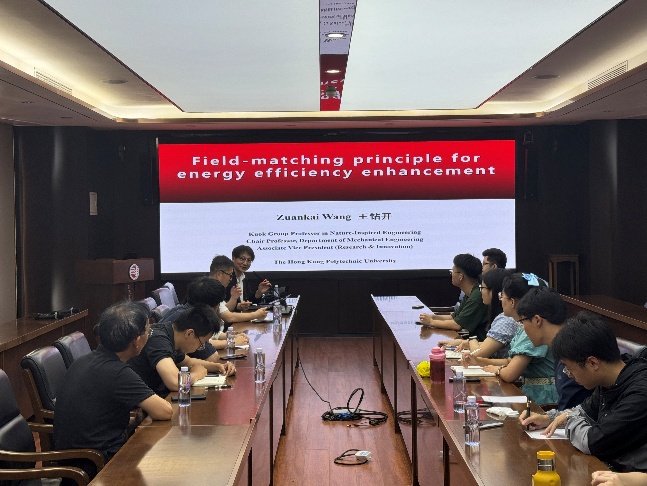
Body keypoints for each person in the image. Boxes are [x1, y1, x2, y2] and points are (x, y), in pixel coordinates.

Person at [54, 301, 172, 479]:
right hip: (95, 464)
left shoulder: (86, 359)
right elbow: (164, 411)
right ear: (136, 341)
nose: (149, 336)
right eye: (148, 331)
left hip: (82, 456)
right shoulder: (117, 372)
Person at [522, 312, 647, 472]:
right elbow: (584, 412)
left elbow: (592, 442)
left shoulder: (640, 392)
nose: (568, 374)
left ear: (593, 363)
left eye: (569, 368)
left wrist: (569, 419)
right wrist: (548, 418)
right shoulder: (609, 380)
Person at [463, 272, 558, 405]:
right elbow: (510, 361)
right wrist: (479, 361)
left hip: (543, 397)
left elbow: (510, 374)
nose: (500, 300)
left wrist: (497, 369)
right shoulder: (524, 326)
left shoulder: (533, 330)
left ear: (512, 301)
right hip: (530, 391)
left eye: (502, 296)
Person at [128, 303, 236, 397]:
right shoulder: (159, 340)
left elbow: (188, 362)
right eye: (201, 343)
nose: (200, 347)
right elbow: (175, 383)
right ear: (189, 333)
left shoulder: (172, 333)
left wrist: (218, 367)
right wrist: (196, 374)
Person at [516, 287, 591, 414]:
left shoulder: (572, 349)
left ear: (537, 320)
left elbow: (573, 410)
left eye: (522, 322)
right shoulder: (559, 346)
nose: (523, 329)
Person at [159, 276, 250, 362]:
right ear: (213, 307)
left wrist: (230, 338)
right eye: (219, 304)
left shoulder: (179, 310)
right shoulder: (194, 319)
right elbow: (211, 358)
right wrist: (231, 343)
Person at [440, 268, 517, 359]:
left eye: (482, 288)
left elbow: (479, 354)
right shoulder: (502, 316)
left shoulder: (506, 320)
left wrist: (472, 340)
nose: (481, 292)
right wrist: (462, 342)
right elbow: (489, 345)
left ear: (493, 292)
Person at [419, 253, 489, 341]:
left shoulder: (476, 296)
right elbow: (453, 317)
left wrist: (431, 322)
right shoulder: (470, 293)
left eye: (452, 271)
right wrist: (433, 317)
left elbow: (457, 325)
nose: (451, 274)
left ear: (461, 277)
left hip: (481, 344)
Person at [210, 254, 269, 323]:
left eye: (249, 260)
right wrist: (256, 314)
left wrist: (234, 298)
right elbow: (229, 317)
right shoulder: (210, 289)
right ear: (219, 274)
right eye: (229, 275)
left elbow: (224, 310)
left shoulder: (215, 288)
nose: (230, 279)